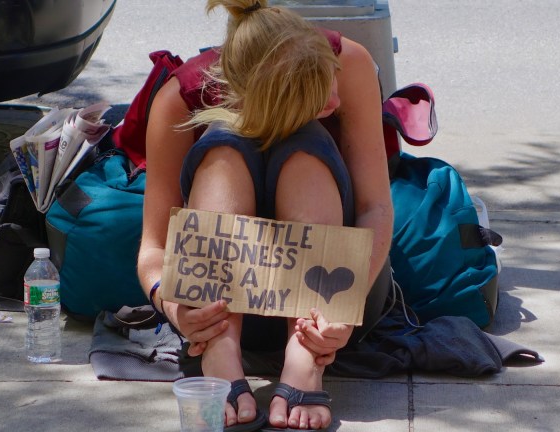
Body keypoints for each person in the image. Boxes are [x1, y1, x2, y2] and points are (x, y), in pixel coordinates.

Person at [136, 0, 393, 430]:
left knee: (305, 147)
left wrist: (343, 310)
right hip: (224, 306)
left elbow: (376, 207)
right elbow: (153, 249)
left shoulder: (349, 62)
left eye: (330, 83)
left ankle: (305, 359)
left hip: (333, 293)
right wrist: (175, 307)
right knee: (224, 145)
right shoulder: (179, 98)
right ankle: (220, 352)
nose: (334, 100)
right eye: (315, 95)